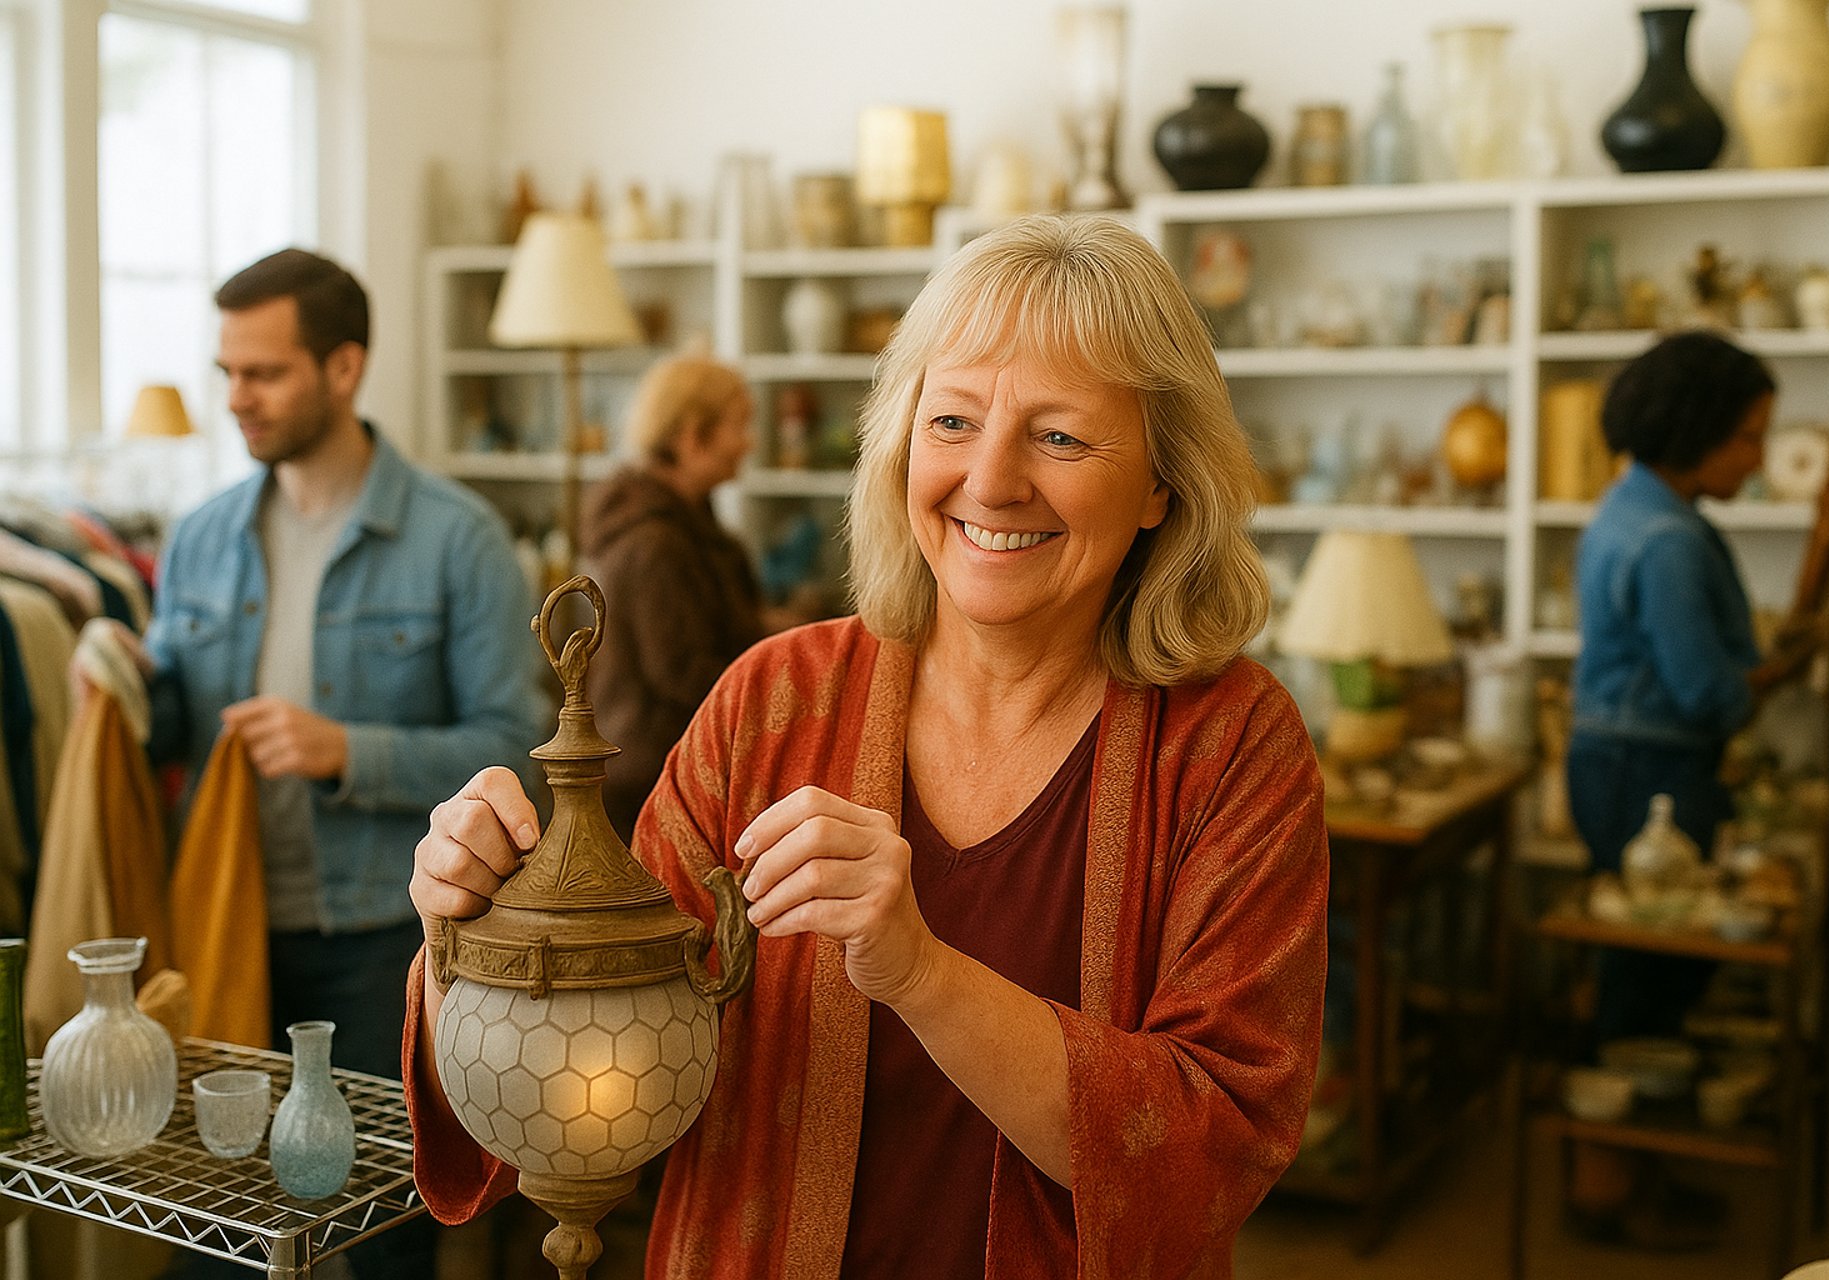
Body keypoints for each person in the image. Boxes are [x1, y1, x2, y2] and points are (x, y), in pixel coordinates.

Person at [405, 214, 1331, 1277]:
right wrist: (466, 945)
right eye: (952, 421)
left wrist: (920, 970)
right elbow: (591, 1051)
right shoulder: (772, 701)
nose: (991, 480)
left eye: (1060, 436)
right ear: (898, 445)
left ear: (1164, 483)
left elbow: (1218, 1144)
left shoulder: (1229, 746)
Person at [109, 249, 547, 1278]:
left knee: (384, 1232)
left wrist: (344, 749)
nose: (235, 398)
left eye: (263, 372)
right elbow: (176, 729)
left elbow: (513, 754)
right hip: (228, 931)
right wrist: (125, 685)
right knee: (214, 1228)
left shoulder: (460, 540)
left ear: (345, 367)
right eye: (227, 371)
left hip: (386, 946)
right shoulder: (201, 538)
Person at [1564, 330, 1814, 1247]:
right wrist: (1785, 669)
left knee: (1633, 968)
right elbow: (1710, 693)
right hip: (1652, 771)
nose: (1757, 456)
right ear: (1698, 428)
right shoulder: (1668, 539)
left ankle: (1619, 1168)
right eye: (1748, 436)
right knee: (1648, 974)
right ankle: (1609, 1187)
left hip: (1618, 761)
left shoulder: (1628, 509)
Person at [581, 355, 765, 839]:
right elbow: (685, 673)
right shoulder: (655, 545)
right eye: (738, 426)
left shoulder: (687, 527)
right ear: (690, 434)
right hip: (652, 782)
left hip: (671, 766)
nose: (748, 443)